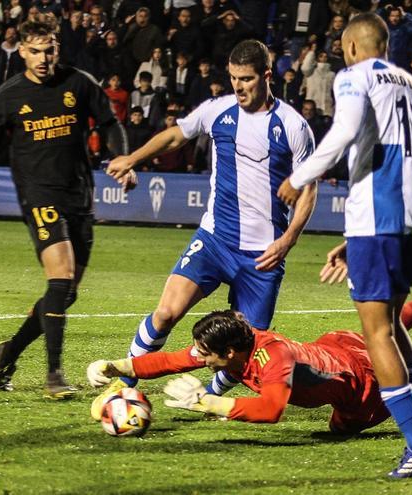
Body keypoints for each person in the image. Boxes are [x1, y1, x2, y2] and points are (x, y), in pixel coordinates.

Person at [102, 39, 318, 419]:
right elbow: (174, 135)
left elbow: (309, 187)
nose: (238, 87)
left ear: (267, 76)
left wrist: (288, 239)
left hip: (262, 257)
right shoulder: (218, 111)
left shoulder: (293, 126)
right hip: (215, 240)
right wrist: (132, 158)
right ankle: (125, 386)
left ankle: (206, 399)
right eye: (234, 78)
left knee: (242, 349)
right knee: (167, 312)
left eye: (247, 79)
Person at [277, 13, 412, 478]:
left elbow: (345, 133)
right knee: (391, 322)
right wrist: (354, 239)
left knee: (376, 333)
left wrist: (299, 176)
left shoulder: (355, 76)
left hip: (381, 214)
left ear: (350, 47)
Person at [0, 18, 130, 400]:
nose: (43, 58)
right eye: (35, 51)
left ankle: (9, 351)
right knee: (60, 279)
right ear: (22, 50)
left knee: (66, 292)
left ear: (57, 48)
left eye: (49, 50)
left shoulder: (79, 83)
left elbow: (109, 123)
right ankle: (54, 374)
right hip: (38, 196)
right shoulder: (8, 95)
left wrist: (122, 158)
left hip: (79, 195)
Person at [87, 281, 412, 430]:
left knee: (338, 430)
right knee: (383, 329)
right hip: (337, 347)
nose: (197, 356)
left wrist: (207, 402)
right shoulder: (233, 345)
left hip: (362, 388)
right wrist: (116, 365)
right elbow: (172, 360)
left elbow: (271, 410)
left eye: (204, 352)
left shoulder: (273, 359)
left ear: (229, 353)